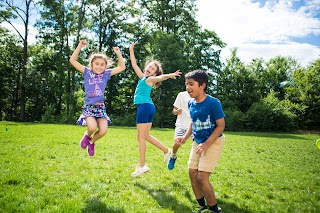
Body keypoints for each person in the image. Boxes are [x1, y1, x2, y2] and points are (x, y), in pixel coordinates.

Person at [175, 70, 225, 213]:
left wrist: (206, 144)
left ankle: (214, 209)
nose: (188, 88)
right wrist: (184, 138)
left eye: (191, 84)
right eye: (186, 84)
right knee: (192, 172)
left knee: (202, 177)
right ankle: (201, 205)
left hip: (213, 142)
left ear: (202, 85)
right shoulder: (191, 103)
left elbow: (221, 125)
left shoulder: (213, 103)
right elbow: (193, 123)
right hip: (197, 142)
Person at [129, 41, 182, 177]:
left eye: (152, 69)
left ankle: (142, 165)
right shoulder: (143, 78)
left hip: (145, 107)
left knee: (140, 137)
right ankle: (166, 150)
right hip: (149, 107)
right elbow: (134, 64)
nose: (149, 69)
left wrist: (170, 75)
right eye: (149, 67)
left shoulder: (150, 80)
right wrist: (131, 50)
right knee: (145, 135)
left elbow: (160, 77)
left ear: (154, 74)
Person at [69, 40, 126, 157]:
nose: (99, 67)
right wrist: (79, 46)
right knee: (92, 127)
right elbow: (72, 60)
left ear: (105, 66)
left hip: (100, 107)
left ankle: (91, 142)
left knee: (103, 130)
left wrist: (118, 53)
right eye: (97, 64)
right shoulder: (86, 72)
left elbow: (122, 67)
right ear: (91, 64)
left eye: (102, 64)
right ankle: (87, 136)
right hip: (89, 106)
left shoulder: (106, 74)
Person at [167, 91, 192, 170]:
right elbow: (174, 110)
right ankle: (173, 156)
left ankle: (194, 164)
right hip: (181, 124)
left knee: (197, 145)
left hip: (194, 125)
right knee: (177, 143)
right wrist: (176, 111)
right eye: (187, 83)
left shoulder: (199, 95)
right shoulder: (181, 95)